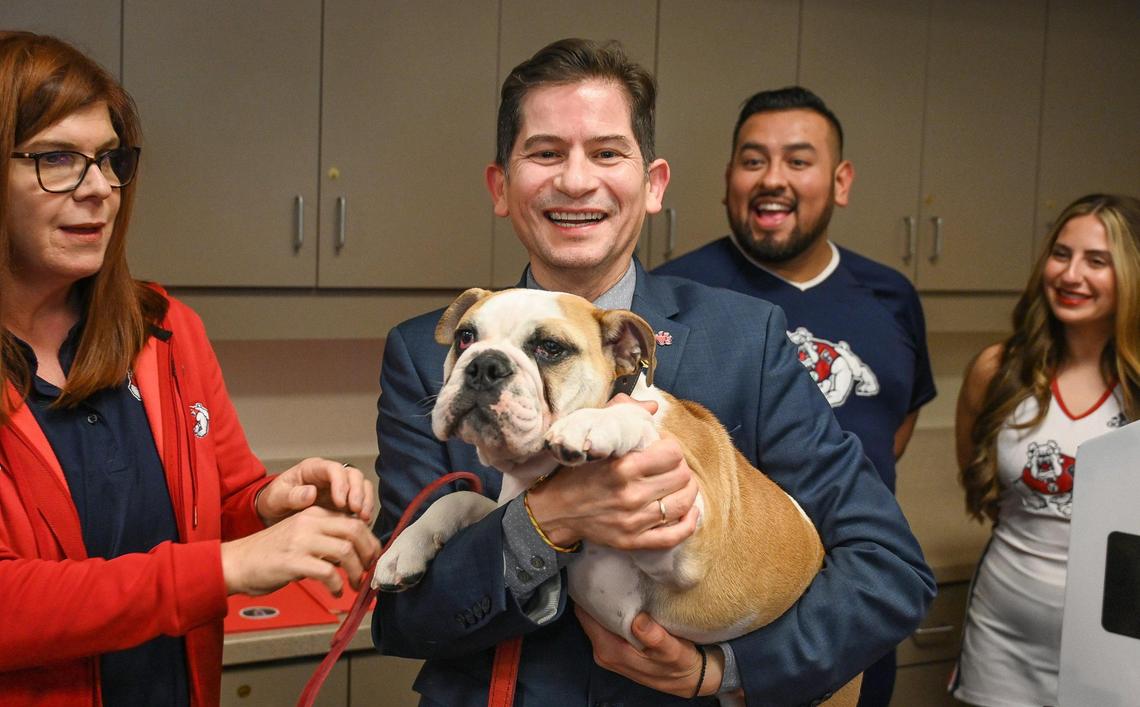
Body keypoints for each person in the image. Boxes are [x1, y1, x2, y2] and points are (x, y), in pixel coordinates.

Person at [371, 38, 934, 706]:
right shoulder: (426, 354)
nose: (576, 180)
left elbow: (889, 569)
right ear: (501, 185)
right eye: (546, 152)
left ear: (654, 183)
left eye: (607, 152)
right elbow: (401, 616)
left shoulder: (744, 340)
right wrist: (549, 517)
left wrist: (726, 670)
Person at [0, 32, 380, 707]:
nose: (99, 189)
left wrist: (268, 505)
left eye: (110, 159)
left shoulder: (163, 328)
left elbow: (222, 503)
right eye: (58, 158)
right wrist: (222, 568)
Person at [653, 86, 937, 707]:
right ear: (728, 178)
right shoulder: (675, 299)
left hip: (854, 615)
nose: (772, 180)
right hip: (721, 621)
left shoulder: (890, 296)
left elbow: (895, 426)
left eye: (798, 161)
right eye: (753, 161)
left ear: (841, 180)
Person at [951, 193, 1140, 706]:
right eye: (1062, 253)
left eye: (1097, 261)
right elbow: (978, 479)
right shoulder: (997, 370)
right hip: (1003, 636)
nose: (1071, 274)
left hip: (1119, 641)